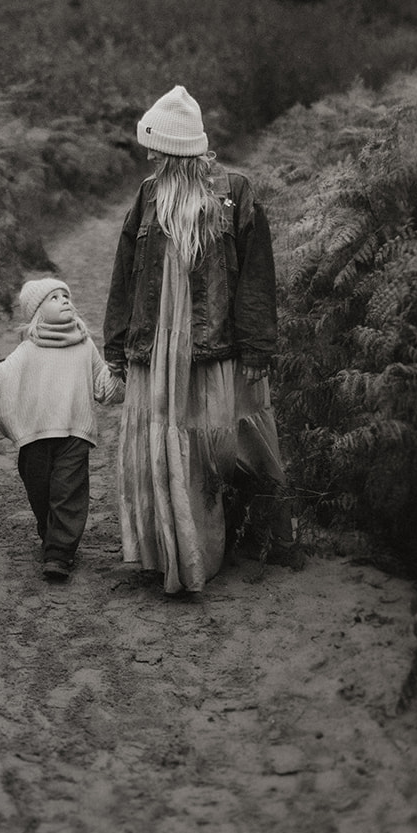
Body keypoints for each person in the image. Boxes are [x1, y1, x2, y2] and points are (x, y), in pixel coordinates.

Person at [103, 84, 296, 596]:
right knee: (165, 451)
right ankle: (181, 555)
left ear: (179, 150)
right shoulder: (147, 196)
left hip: (216, 348)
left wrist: (257, 346)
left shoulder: (234, 192)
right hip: (157, 352)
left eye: (157, 149)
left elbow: (257, 275)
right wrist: (117, 346)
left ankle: (257, 539)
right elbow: (124, 275)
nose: (149, 157)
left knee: (226, 447)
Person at [0, 276, 123, 580]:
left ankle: (59, 553)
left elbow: (104, 388)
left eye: (66, 296)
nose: (65, 301)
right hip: (35, 437)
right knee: (40, 492)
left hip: (74, 434)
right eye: (54, 298)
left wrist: (119, 372)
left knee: (68, 492)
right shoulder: (28, 350)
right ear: (37, 311)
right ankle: (50, 532)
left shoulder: (84, 346)